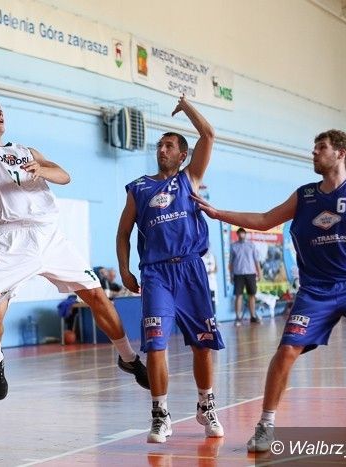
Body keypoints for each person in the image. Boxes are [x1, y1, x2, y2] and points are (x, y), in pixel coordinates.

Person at [192, 129, 346, 450]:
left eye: (321, 147)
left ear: (340, 153)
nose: (314, 152)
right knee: (286, 352)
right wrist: (218, 213)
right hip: (316, 290)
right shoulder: (305, 195)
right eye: (314, 147)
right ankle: (266, 425)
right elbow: (265, 219)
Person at [0, 34, 149, 400]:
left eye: (1, 110)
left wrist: (42, 169)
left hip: (49, 235)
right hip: (9, 240)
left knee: (97, 296)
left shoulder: (26, 150)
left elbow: (65, 175)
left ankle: (128, 357)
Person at [117, 96, 224, 444]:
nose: (162, 150)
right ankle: (160, 414)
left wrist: (186, 106)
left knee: (202, 345)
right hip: (156, 274)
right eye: (159, 146)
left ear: (182, 155)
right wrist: (124, 269)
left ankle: (206, 405)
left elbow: (208, 134)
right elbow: (123, 233)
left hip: (191, 270)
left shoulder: (190, 178)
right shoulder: (139, 188)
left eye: (169, 146)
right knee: (155, 345)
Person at [229, 227, 262, 326]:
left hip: (250, 273)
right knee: (238, 295)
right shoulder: (233, 246)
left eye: (243, 233)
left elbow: (256, 260)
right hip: (238, 274)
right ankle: (238, 318)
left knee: (252, 295)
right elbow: (231, 263)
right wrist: (231, 275)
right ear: (237, 235)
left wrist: (259, 273)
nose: (241, 235)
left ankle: (253, 316)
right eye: (239, 233)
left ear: (245, 234)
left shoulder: (251, 245)